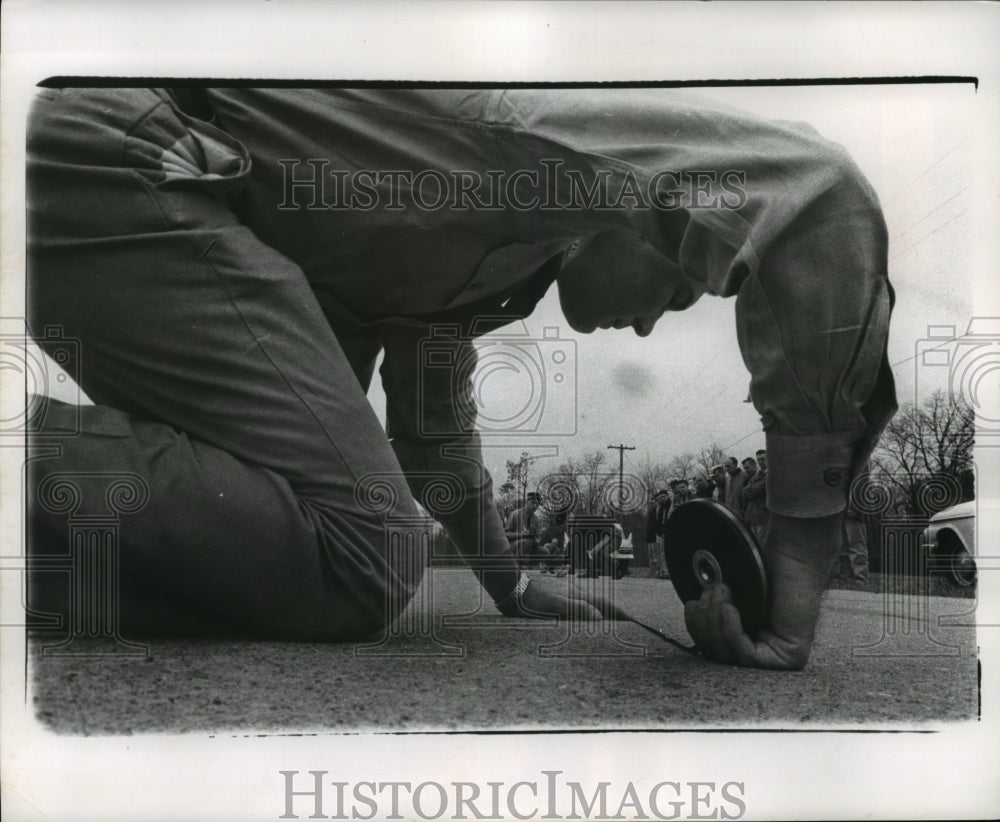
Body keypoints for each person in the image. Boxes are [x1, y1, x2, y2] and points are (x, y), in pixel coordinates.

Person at [26, 86, 896, 669]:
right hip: (120, 160)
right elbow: (813, 196)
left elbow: (433, 436)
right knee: (369, 556)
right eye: (675, 290)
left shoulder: (489, 276)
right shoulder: (516, 148)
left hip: (117, 200)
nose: (642, 322)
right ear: (640, 223)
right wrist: (795, 557)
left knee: (327, 547)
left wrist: (509, 584)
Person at [505, 492, 541, 565]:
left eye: (537, 504)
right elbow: (506, 534)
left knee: (545, 551)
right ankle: (519, 565)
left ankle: (533, 566)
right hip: (513, 546)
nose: (535, 506)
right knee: (526, 541)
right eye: (533, 503)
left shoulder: (536, 519)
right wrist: (521, 534)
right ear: (526, 502)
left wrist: (536, 539)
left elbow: (538, 537)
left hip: (529, 546)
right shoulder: (516, 514)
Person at [741, 453, 769, 543]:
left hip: (763, 515)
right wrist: (750, 490)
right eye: (758, 459)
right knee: (756, 543)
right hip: (752, 516)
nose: (760, 461)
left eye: (762, 459)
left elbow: (760, 488)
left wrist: (750, 490)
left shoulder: (771, 474)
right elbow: (744, 492)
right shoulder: (756, 475)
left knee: (763, 544)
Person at [644, 489, 671, 579]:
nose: (652, 504)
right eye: (651, 503)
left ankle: (662, 571)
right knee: (658, 554)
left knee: (661, 554)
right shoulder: (655, 510)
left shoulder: (664, 507)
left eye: (663, 497)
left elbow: (661, 521)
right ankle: (659, 572)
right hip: (655, 534)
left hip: (661, 533)